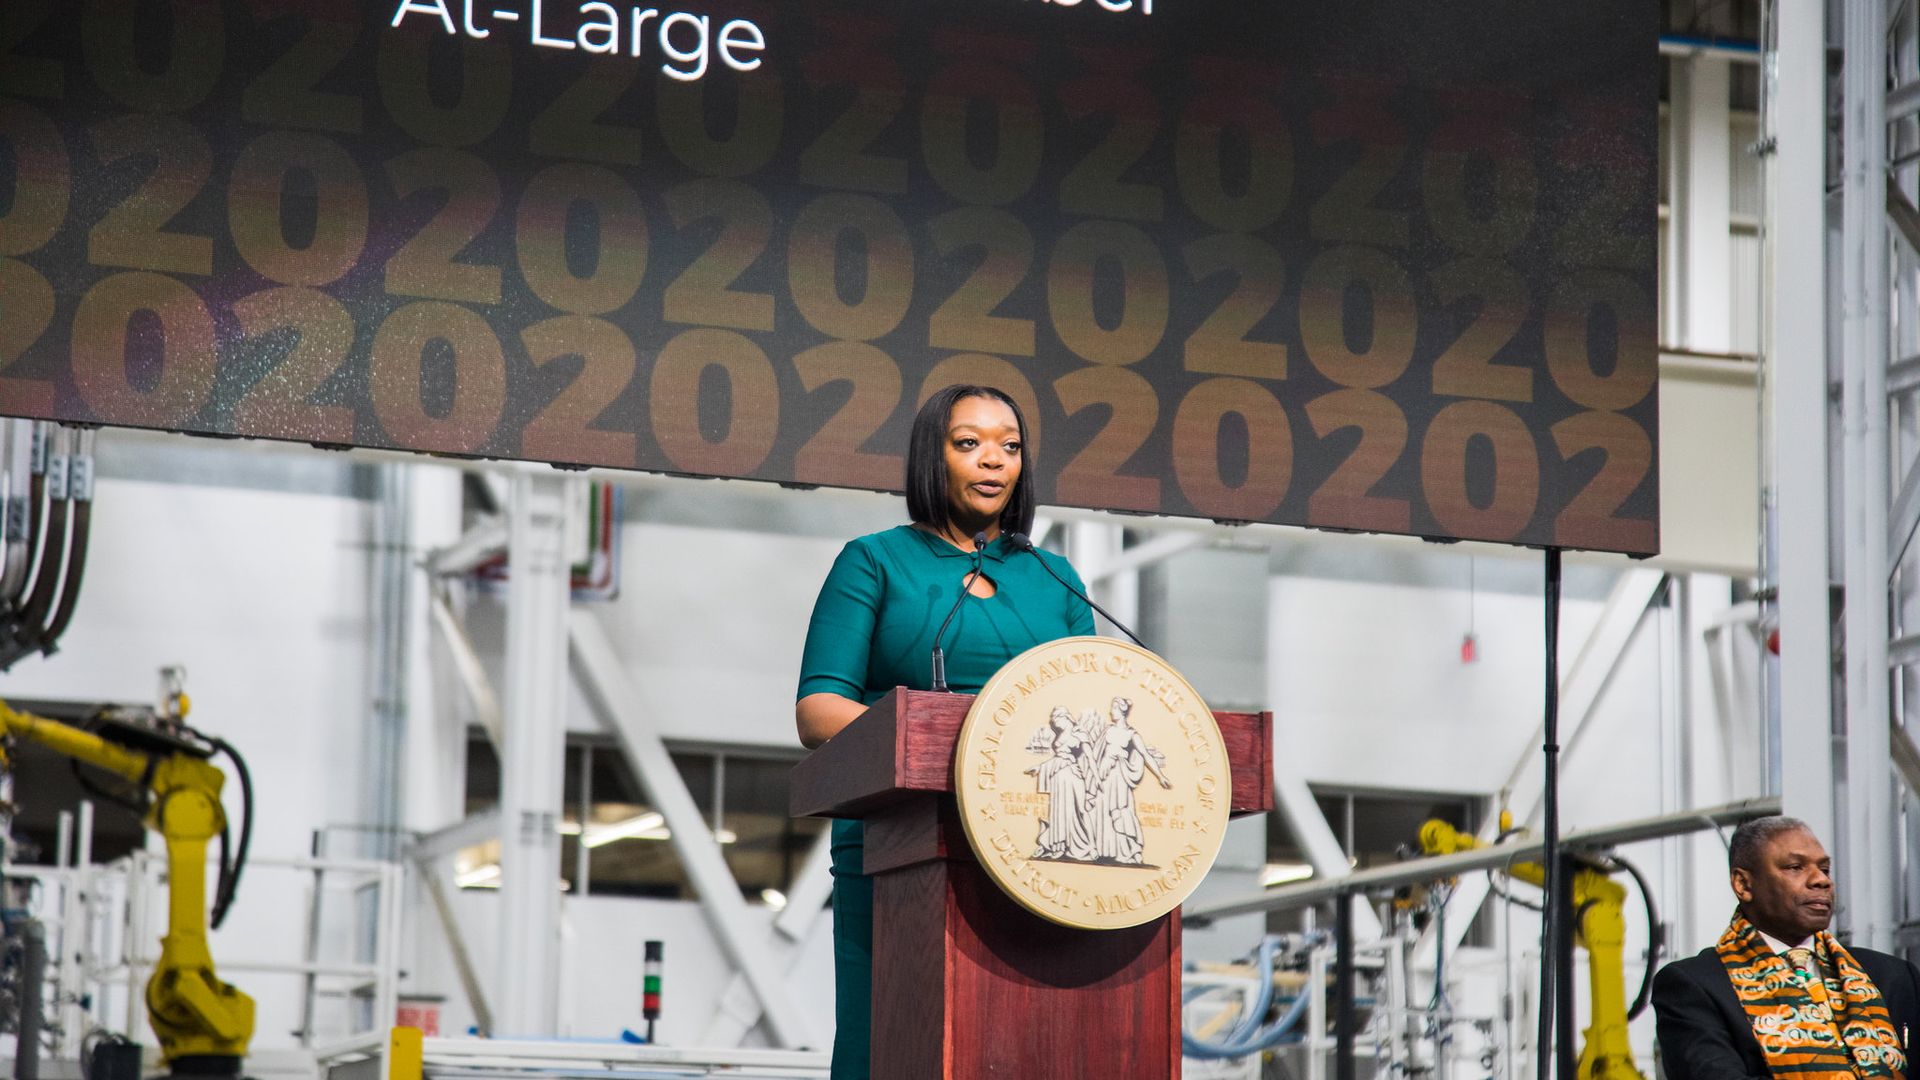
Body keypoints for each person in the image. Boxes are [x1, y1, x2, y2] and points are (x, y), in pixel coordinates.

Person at [794, 385, 1095, 1080]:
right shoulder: (874, 562)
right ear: (933, 457)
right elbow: (818, 710)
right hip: (899, 845)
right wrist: (967, 747)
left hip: (1040, 851)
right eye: (970, 444)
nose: (993, 461)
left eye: (1010, 447)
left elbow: (1090, 707)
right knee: (892, 1043)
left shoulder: (1057, 579)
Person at [1651, 815, 1920, 1080]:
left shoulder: (1893, 976)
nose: (1821, 880)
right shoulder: (1695, 986)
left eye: (1824, 869)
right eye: (1795, 867)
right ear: (1743, 884)